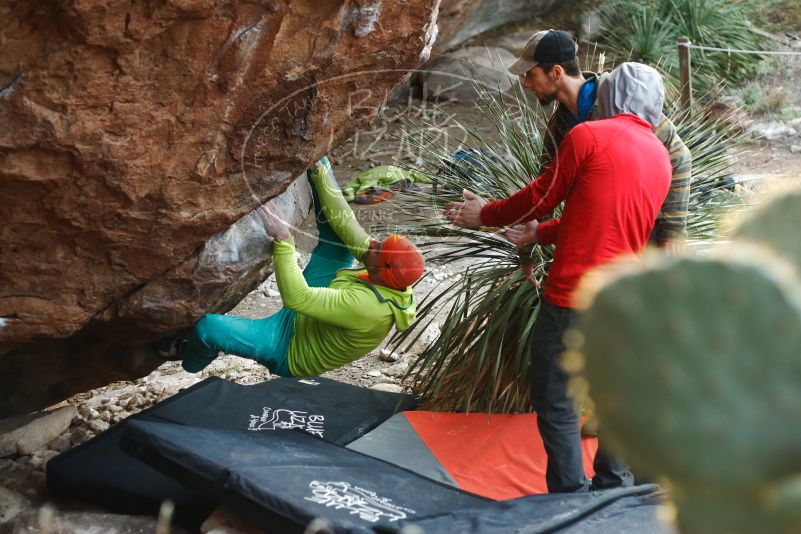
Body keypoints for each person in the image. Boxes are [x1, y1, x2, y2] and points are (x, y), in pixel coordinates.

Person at [445, 63, 672, 493]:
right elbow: (605, 219)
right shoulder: (661, 157)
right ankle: (611, 490)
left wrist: (486, 216)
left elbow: (543, 196)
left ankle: (569, 497)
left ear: (610, 96)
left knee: (557, 399)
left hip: (575, 295)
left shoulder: (588, 135)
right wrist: (540, 233)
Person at [159, 157, 424, 377]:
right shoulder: (386, 274)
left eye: (379, 248)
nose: (374, 242)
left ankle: (188, 357)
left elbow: (297, 299)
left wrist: (284, 239)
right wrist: (321, 168)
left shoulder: (367, 308)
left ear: (382, 272)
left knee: (209, 329)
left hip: (288, 346)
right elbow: (347, 224)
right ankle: (317, 168)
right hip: (317, 312)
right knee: (338, 241)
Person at [508, 29, 692, 255]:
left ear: (556, 72)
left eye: (531, 74)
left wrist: (673, 231)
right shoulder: (560, 125)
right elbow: (546, 189)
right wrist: (527, 254)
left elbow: (680, 155)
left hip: (645, 231)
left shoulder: (622, 101)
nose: (526, 83)